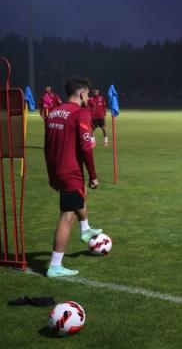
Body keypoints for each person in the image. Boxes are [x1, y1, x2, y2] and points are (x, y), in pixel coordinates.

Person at [44, 76, 102, 277]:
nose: (88, 97)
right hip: (71, 171)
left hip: (58, 169)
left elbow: (47, 146)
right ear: (81, 93)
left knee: (80, 195)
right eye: (87, 93)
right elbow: (86, 148)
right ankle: (55, 265)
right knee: (67, 217)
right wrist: (93, 175)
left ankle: (86, 230)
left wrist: (51, 175)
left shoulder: (53, 112)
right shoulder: (80, 113)